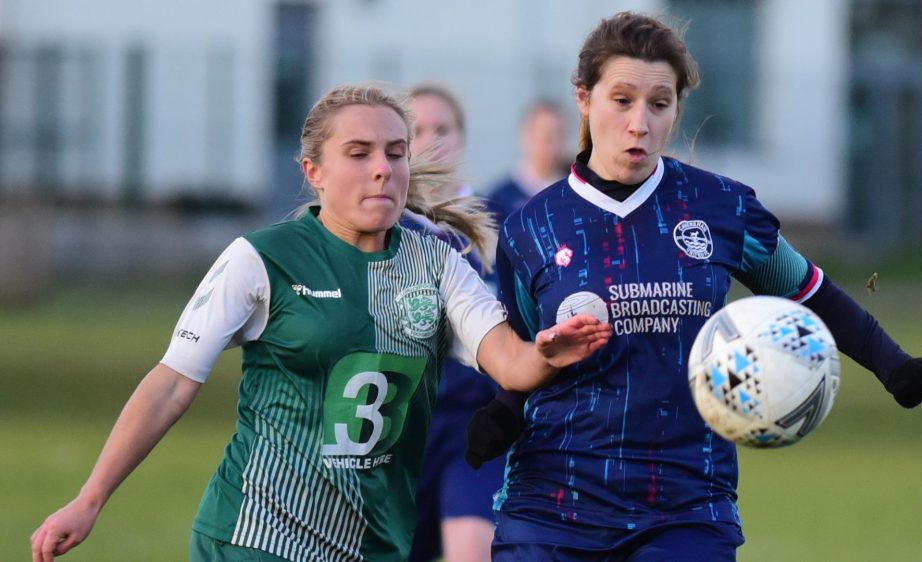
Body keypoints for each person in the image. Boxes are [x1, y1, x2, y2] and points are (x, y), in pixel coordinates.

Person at [30, 84, 612, 562]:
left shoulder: (438, 265)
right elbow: (172, 383)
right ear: (315, 171)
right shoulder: (261, 258)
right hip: (255, 537)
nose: (382, 169)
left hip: (374, 544)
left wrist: (547, 353)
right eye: (359, 154)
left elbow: (509, 361)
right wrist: (90, 499)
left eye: (395, 151)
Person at [465, 12, 922, 561]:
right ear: (584, 99)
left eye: (659, 104)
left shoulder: (720, 207)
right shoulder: (531, 226)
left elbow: (809, 291)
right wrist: (504, 411)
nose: (639, 123)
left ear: (677, 107)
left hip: (685, 506)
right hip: (551, 507)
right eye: (621, 100)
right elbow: (529, 355)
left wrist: (894, 366)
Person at [401, 84, 506, 562]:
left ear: (461, 138)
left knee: (471, 552)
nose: (431, 141)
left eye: (442, 128)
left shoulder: (497, 225)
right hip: (398, 430)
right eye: (416, 130)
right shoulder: (385, 232)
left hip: (476, 427)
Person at [485, 100, 570, 223]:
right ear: (526, 136)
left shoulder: (576, 192)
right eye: (547, 135)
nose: (554, 143)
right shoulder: (500, 199)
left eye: (560, 135)